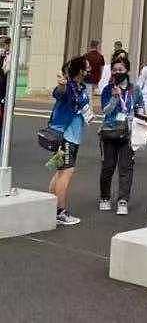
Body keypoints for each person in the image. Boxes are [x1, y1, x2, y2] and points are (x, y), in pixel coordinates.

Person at [48, 54, 91, 226]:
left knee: (59, 172)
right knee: (66, 173)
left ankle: (51, 206)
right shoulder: (69, 86)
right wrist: (61, 85)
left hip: (72, 136)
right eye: (87, 67)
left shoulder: (81, 87)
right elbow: (59, 93)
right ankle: (60, 212)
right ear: (80, 70)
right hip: (65, 137)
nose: (90, 69)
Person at [99, 58, 145, 215]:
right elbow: (105, 111)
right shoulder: (107, 89)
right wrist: (114, 97)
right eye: (115, 70)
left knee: (125, 168)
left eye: (121, 69)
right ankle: (105, 197)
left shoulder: (135, 90)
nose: (117, 72)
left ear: (127, 71)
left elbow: (140, 110)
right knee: (108, 167)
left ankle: (123, 200)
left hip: (128, 133)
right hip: (110, 131)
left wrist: (142, 125)